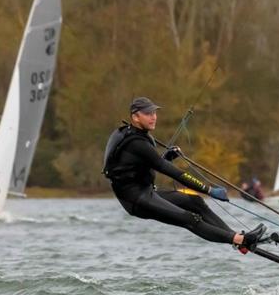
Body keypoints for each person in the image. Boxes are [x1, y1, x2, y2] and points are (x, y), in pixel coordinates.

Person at [103, 97, 268, 253]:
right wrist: (208, 190)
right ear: (135, 117)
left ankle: (237, 239)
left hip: (146, 192)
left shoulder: (132, 134)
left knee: (194, 202)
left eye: (154, 113)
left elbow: (139, 166)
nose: (153, 117)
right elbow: (174, 173)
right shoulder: (137, 143)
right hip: (137, 200)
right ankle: (239, 240)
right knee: (189, 219)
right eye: (148, 114)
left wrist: (165, 158)